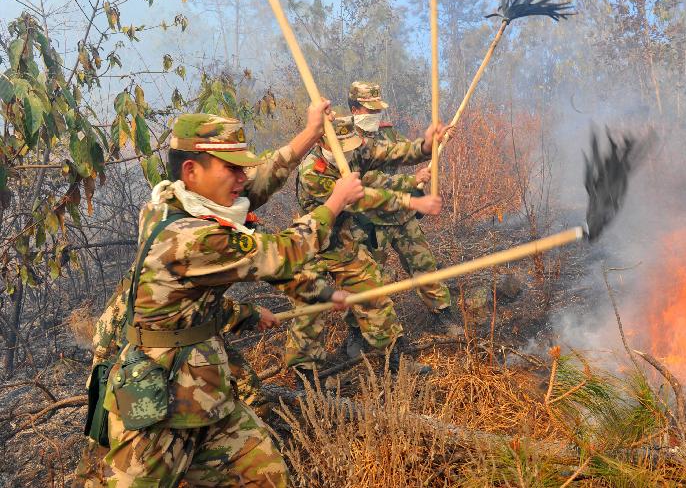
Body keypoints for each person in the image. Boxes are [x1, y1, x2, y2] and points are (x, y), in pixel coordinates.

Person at [98, 103, 364, 487]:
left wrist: (309, 133)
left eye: (243, 167)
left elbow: (184, 303)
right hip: (159, 406)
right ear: (192, 171)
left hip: (209, 397)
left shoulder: (171, 204)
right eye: (231, 168)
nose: (242, 177)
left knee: (267, 476)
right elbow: (281, 254)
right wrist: (335, 203)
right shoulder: (191, 237)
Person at [285, 115, 448, 372]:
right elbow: (361, 199)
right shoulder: (312, 173)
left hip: (342, 243)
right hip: (313, 243)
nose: (352, 152)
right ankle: (304, 380)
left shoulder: (354, 149)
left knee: (374, 294)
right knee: (309, 310)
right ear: (325, 144)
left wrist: (425, 146)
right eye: (344, 147)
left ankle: (395, 361)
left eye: (352, 145)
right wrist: (411, 202)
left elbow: (392, 152)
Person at [349, 81, 452, 319]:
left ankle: (443, 313)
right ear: (354, 109)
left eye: (377, 109)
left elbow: (408, 151)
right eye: (369, 109)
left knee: (424, 265)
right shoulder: (345, 140)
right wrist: (409, 181)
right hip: (370, 221)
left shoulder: (386, 132)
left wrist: (432, 142)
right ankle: (361, 331)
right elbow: (364, 179)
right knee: (365, 282)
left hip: (402, 214)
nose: (375, 114)